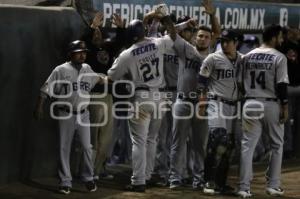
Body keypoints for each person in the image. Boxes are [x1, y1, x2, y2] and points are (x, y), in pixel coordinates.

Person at [158, 0, 221, 190]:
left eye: (205, 36)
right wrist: (167, 18)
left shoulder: (212, 57)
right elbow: (172, 33)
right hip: (183, 101)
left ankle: (198, 178)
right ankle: (175, 177)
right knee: (177, 143)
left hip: (202, 103)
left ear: (211, 40)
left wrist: (211, 15)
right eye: (199, 36)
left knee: (199, 145)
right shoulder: (187, 49)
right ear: (195, 38)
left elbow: (218, 32)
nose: (202, 39)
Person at [34, 40, 105, 194]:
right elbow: (45, 89)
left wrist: (109, 77)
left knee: (87, 147)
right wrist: (39, 107)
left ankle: (88, 177)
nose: (82, 55)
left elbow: (99, 78)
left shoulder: (87, 68)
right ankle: (65, 181)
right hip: (65, 113)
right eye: (79, 52)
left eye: (84, 52)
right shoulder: (60, 70)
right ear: (71, 53)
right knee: (63, 148)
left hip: (83, 114)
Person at [107, 19, 169, 192]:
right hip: (160, 97)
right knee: (152, 139)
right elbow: (173, 34)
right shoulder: (158, 43)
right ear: (144, 32)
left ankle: (138, 181)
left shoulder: (127, 54)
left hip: (141, 97)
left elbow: (111, 77)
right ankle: (147, 175)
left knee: (139, 141)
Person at [237, 24, 289, 198]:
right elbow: (281, 85)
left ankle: (243, 188)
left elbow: (239, 84)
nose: (281, 40)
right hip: (271, 103)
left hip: (250, 103)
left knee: (247, 147)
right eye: (280, 37)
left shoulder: (247, 56)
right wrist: (285, 106)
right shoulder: (279, 57)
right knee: (276, 145)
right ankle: (273, 185)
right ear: (273, 37)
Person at [199, 29, 242, 195]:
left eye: (228, 41)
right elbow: (201, 81)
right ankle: (208, 181)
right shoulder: (213, 58)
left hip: (233, 106)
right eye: (223, 41)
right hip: (216, 102)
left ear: (235, 42)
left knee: (229, 145)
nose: (224, 44)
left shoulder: (242, 59)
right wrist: (202, 103)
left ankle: (221, 183)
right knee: (217, 140)